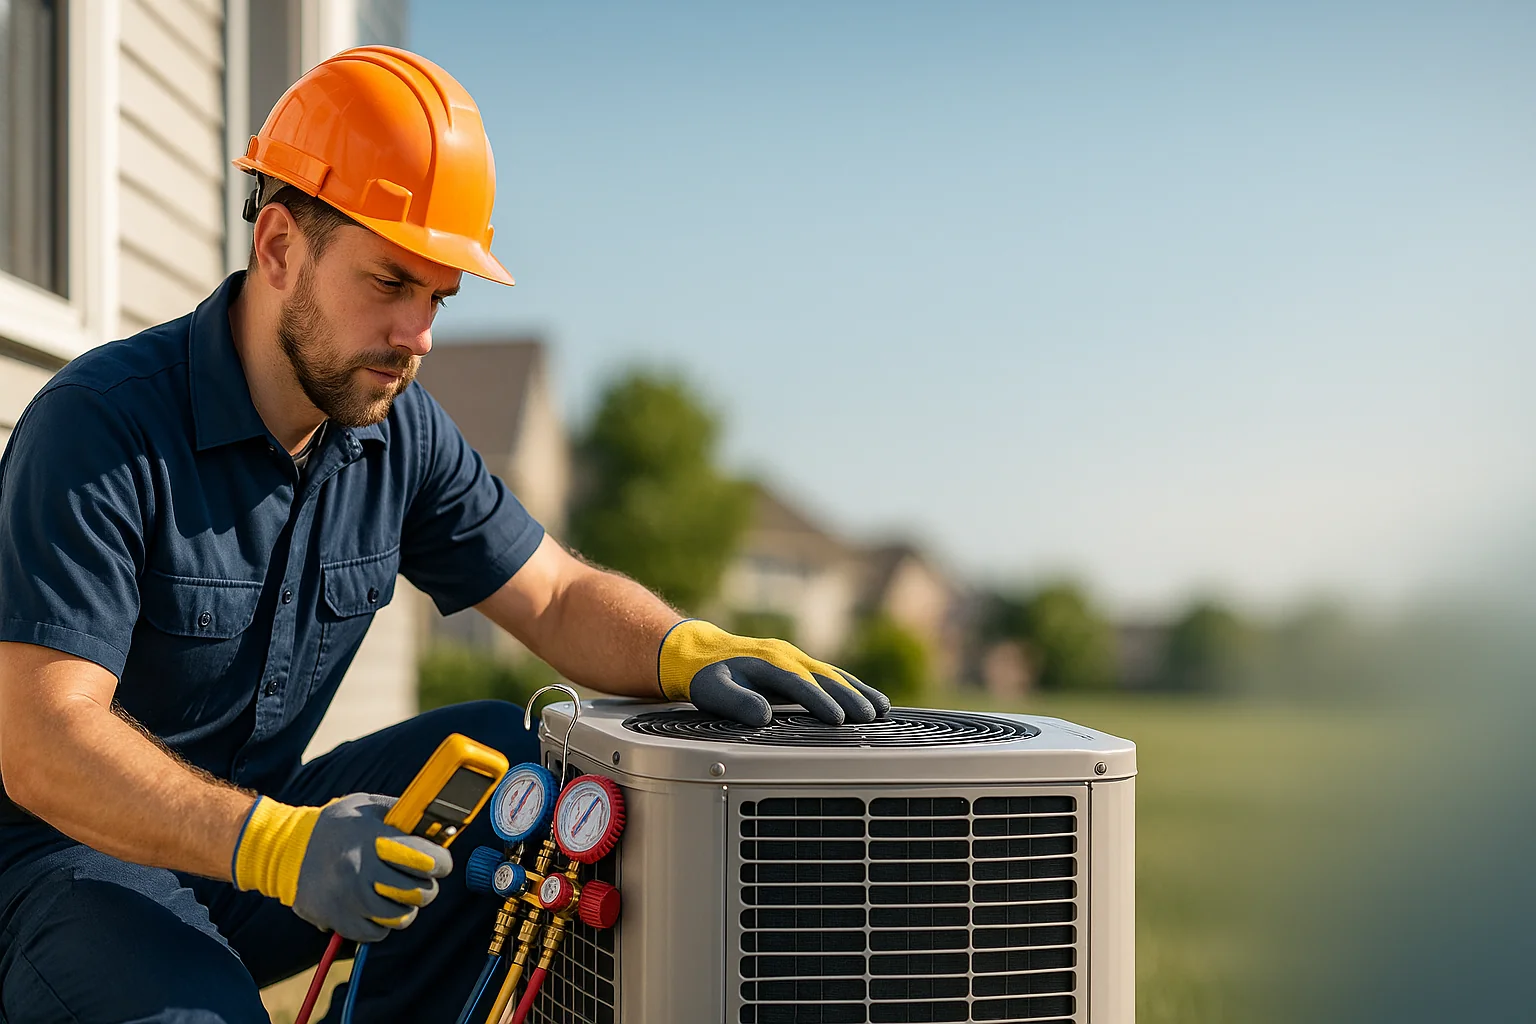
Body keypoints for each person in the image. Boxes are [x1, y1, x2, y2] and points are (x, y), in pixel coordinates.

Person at [0, 47, 887, 1023]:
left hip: (261, 849)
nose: (418, 333)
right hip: (60, 864)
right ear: (281, 246)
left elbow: (551, 592)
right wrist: (274, 845)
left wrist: (682, 648)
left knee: (514, 761)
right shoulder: (102, 424)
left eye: (438, 297)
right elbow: (44, 738)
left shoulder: (395, 431)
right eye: (390, 282)